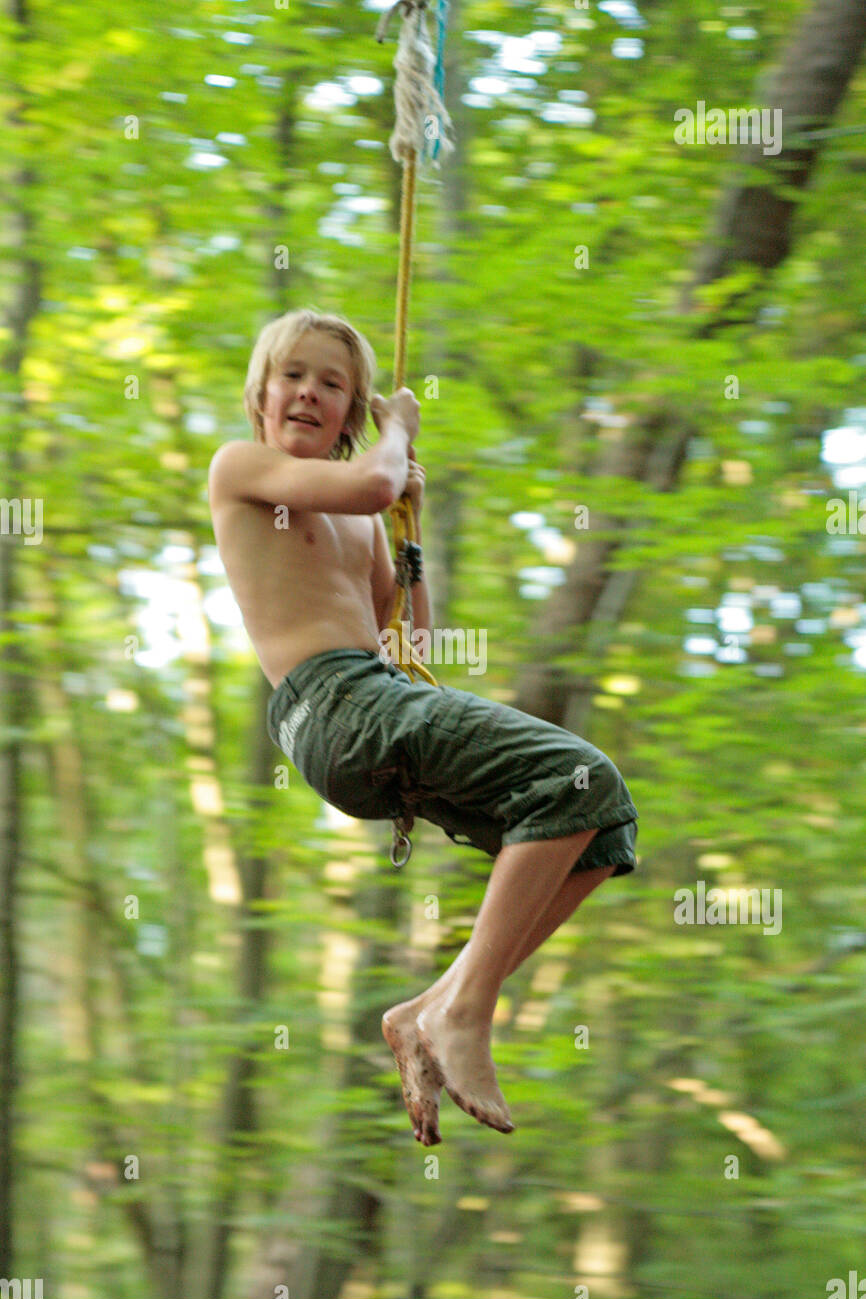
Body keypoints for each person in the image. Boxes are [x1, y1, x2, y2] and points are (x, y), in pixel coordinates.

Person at [208, 308, 638, 1145]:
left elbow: (411, 645)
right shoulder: (243, 468)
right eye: (293, 375)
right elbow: (368, 480)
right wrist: (396, 434)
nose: (308, 392)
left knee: (599, 826)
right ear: (259, 393)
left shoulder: (365, 513)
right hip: (329, 705)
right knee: (573, 771)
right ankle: (469, 1012)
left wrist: (410, 528)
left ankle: (430, 1010)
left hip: (373, 702)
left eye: (332, 384)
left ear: (348, 408)